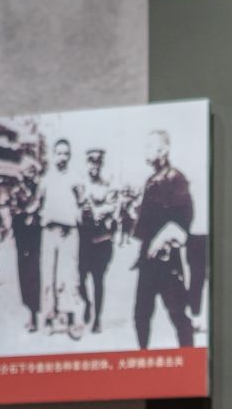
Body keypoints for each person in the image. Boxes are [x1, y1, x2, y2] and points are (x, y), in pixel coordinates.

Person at [132, 129, 196, 350]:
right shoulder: (151, 181)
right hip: (148, 260)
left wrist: (161, 241)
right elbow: (144, 224)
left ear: (164, 150)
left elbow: (184, 219)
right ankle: (143, 359)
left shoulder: (176, 179)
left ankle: (189, 359)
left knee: (178, 314)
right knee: (141, 314)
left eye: (150, 146)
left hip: (167, 261)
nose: (146, 151)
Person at [36, 136, 83, 338]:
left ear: (70, 156)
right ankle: (48, 317)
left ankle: (70, 318)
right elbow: (38, 203)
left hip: (69, 233)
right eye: (59, 153)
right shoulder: (45, 179)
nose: (62, 157)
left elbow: (81, 202)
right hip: (49, 232)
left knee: (69, 276)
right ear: (53, 155)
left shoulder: (75, 178)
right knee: (48, 275)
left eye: (66, 154)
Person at [76, 146, 121, 334]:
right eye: (91, 160)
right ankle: (87, 303)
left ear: (101, 163)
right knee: (79, 279)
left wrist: (96, 210)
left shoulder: (108, 184)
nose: (94, 164)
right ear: (86, 162)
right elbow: (75, 206)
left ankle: (97, 319)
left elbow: (113, 206)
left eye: (98, 161)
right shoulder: (80, 184)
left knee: (98, 280)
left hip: (102, 240)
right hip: (83, 240)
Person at [10, 160, 46, 333]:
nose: (31, 174)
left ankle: (37, 313)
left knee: (37, 274)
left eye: (33, 171)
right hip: (23, 237)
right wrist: (27, 214)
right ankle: (31, 313)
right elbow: (13, 212)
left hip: (38, 235)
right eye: (28, 171)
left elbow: (45, 208)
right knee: (25, 274)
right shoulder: (17, 191)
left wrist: (36, 215)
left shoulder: (40, 190)